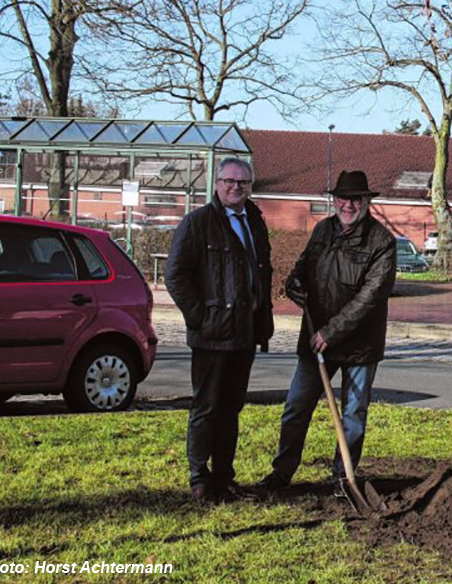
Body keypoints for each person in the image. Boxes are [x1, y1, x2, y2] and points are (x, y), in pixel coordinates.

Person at [257, 170, 396, 494]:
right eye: (343, 199)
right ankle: (282, 473)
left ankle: (342, 478)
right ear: (335, 201)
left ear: (366, 202)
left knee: (353, 413)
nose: (349, 205)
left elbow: (370, 298)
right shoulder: (323, 230)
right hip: (316, 339)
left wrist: (331, 332)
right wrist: (294, 286)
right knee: (296, 406)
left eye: (356, 199)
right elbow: (302, 269)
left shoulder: (381, 242)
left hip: (359, 345)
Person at [165, 156, 274, 502]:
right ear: (216, 183)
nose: (235, 187)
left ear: (250, 186)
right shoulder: (197, 223)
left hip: (244, 335)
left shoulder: (254, 221)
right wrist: (200, 317)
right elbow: (175, 275)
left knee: (231, 409)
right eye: (229, 181)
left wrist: (263, 321)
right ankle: (200, 478)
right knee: (206, 408)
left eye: (242, 182)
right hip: (212, 336)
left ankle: (225, 477)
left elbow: (262, 271)